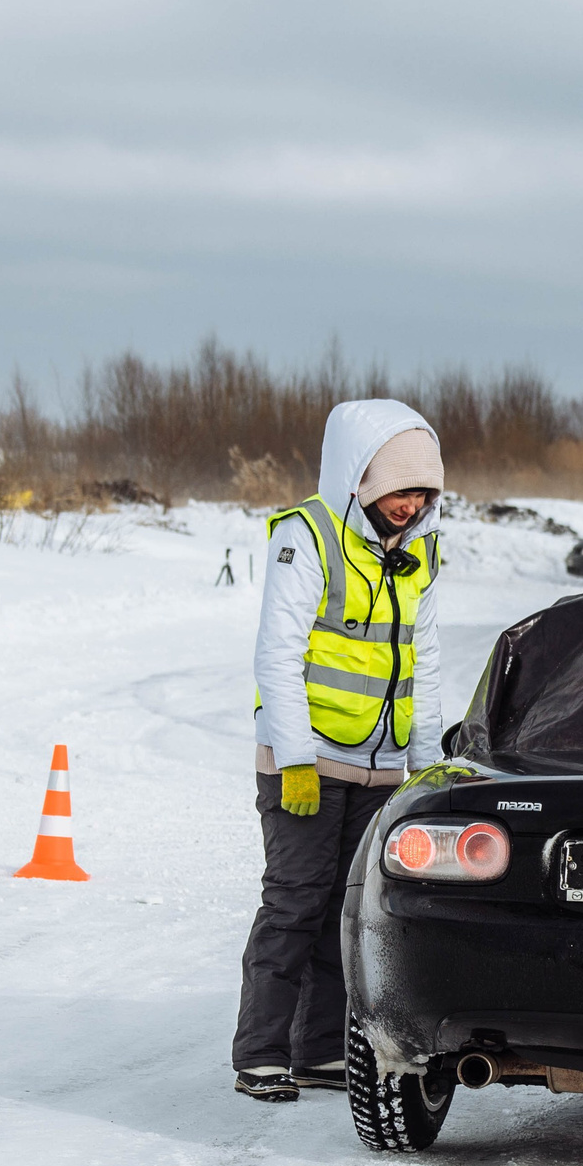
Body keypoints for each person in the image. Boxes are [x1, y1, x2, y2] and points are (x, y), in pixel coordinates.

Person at [232, 399, 446, 1101]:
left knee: (346, 914)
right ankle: (260, 1052)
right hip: (309, 762)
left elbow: (426, 660)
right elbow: (278, 655)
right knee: (294, 904)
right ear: (360, 478)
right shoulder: (309, 537)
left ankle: (317, 1049)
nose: (409, 504)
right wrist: (292, 757)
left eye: (421, 492)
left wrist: (427, 768)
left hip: (381, 768)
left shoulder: (419, 553)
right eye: (397, 489)